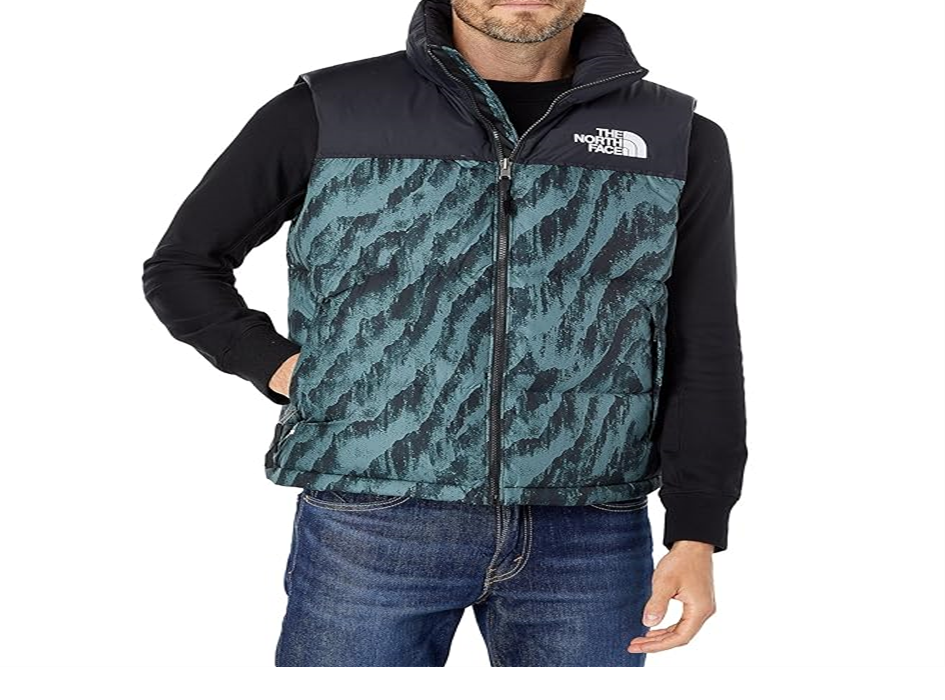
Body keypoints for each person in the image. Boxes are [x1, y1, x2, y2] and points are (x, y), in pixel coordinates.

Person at [142, 0, 747, 668]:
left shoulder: (674, 134)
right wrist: (287, 370)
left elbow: (705, 340)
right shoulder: (329, 109)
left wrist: (697, 531)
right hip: (372, 515)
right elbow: (183, 266)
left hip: (590, 530)